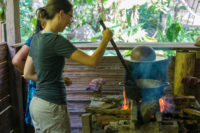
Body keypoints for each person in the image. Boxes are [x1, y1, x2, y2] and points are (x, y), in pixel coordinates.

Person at [23, 0, 113, 132]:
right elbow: (92, 61)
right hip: (52, 106)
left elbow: (27, 74)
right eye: (70, 16)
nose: (70, 21)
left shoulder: (35, 38)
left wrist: (55, 78)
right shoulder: (56, 41)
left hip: (37, 105)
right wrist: (105, 39)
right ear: (61, 14)